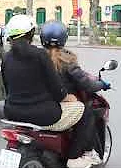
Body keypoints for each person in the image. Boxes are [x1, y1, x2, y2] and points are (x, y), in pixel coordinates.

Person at [1, 15, 99, 168]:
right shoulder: (40, 56)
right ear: (31, 34)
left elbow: (7, 88)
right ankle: (74, 158)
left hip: (11, 113)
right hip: (43, 115)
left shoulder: (6, 58)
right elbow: (57, 89)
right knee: (83, 110)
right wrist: (69, 97)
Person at [40, 21, 111, 166]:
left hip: (39, 106)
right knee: (88, 113)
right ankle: (75, 156)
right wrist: (101, 84)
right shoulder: (67, 60)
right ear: (64, 39)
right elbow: (87, 84)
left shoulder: (37, 58)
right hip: (61, 107)